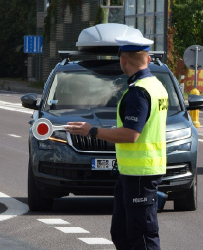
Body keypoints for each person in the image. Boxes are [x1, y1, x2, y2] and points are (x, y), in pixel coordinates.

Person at [65, 27, 168, 250]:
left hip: (140, 173)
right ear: (148, 59)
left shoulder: (139, 92)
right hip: (135, 172)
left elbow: (131, 134)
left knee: (141, 237)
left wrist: (92, 131)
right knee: (122, 232)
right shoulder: (156, 86)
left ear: (123, 60)